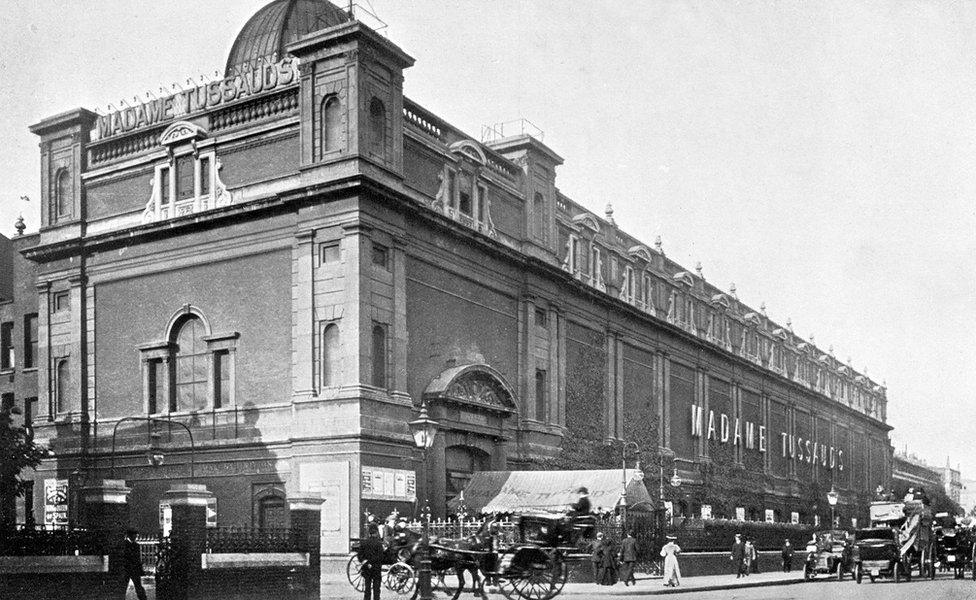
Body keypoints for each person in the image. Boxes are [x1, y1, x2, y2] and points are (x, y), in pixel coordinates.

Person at [357, 524, 385, 600]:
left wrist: (366, 563)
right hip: (376, 567)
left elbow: (359, 555)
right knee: (376, 588)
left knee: (367, 586)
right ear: (376, 533)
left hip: (366, 567)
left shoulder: (364, 543)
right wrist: (372, 563)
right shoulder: (379, 544)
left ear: (369, 533)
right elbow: (380, 557)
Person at [122, 528, 147, 600]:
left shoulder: (127, 545)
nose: (136, 537)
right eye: (135, 535)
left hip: (130, 568)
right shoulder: (135, 545)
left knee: (137, 586)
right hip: (130, 568)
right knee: (137, 586)